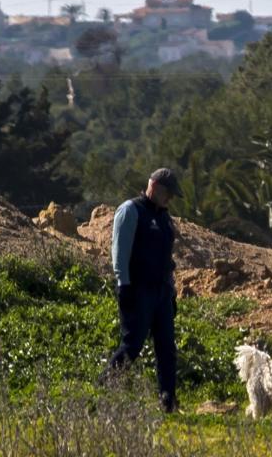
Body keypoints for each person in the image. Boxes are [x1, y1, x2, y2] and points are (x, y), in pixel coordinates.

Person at [105, 167, 183, 413]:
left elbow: (166, 258)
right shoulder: (131, 210)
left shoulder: (164, 217)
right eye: (168, 194)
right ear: (156, 187)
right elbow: (120, 252)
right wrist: (123, 286)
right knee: (132, 346)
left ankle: (168, 402)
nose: (170, 199)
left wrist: (170, 292)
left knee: (166, 348)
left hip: (161, 293)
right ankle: (103, 391)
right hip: (137, 290)